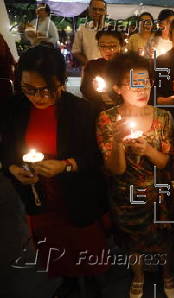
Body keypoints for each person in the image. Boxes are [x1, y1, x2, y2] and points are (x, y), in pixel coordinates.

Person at [1, 46, 108, 280]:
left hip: (77, 195)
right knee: (52, 245)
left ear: (61, 81)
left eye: (45, 89)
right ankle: (67, 280)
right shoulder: (14, 109)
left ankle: (91, 281)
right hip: (37, 195)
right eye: (28, 89)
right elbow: (7, 150)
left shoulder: (82, 111)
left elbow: (95, 156)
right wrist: (13, 169)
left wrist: (66, 165)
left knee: (85, 245)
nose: (38, 97)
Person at [96, 53, 174, 298]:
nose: (143, 89)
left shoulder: (163, 118)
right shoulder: (107, 119)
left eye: (147, 82)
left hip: (157, 196)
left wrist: (149, 150)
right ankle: (138, 275)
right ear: (118, 88)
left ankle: (167, 274)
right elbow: (116, 169)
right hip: (125, 195)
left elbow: (166, 161)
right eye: (134, 84)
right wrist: (119, 142)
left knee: (164, 241)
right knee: (132, 242)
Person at [80, 30, 124, 110]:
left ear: (121, 45)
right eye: (103, 46)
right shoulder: (92, 66)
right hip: (99, 110)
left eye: (112, 45)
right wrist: (95, 91)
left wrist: (117, 98)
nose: (107, 50)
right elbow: (84, 90)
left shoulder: (128, 66)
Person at [72, 0, 107, 65]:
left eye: (101, 9)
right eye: (94, 9)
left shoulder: (111, 29)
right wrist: (89, 64)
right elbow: (75, 51)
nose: (97, 12)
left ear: (105, 11)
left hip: (108, 70)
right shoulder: (82, 29)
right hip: (88, 70)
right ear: (89, 10)